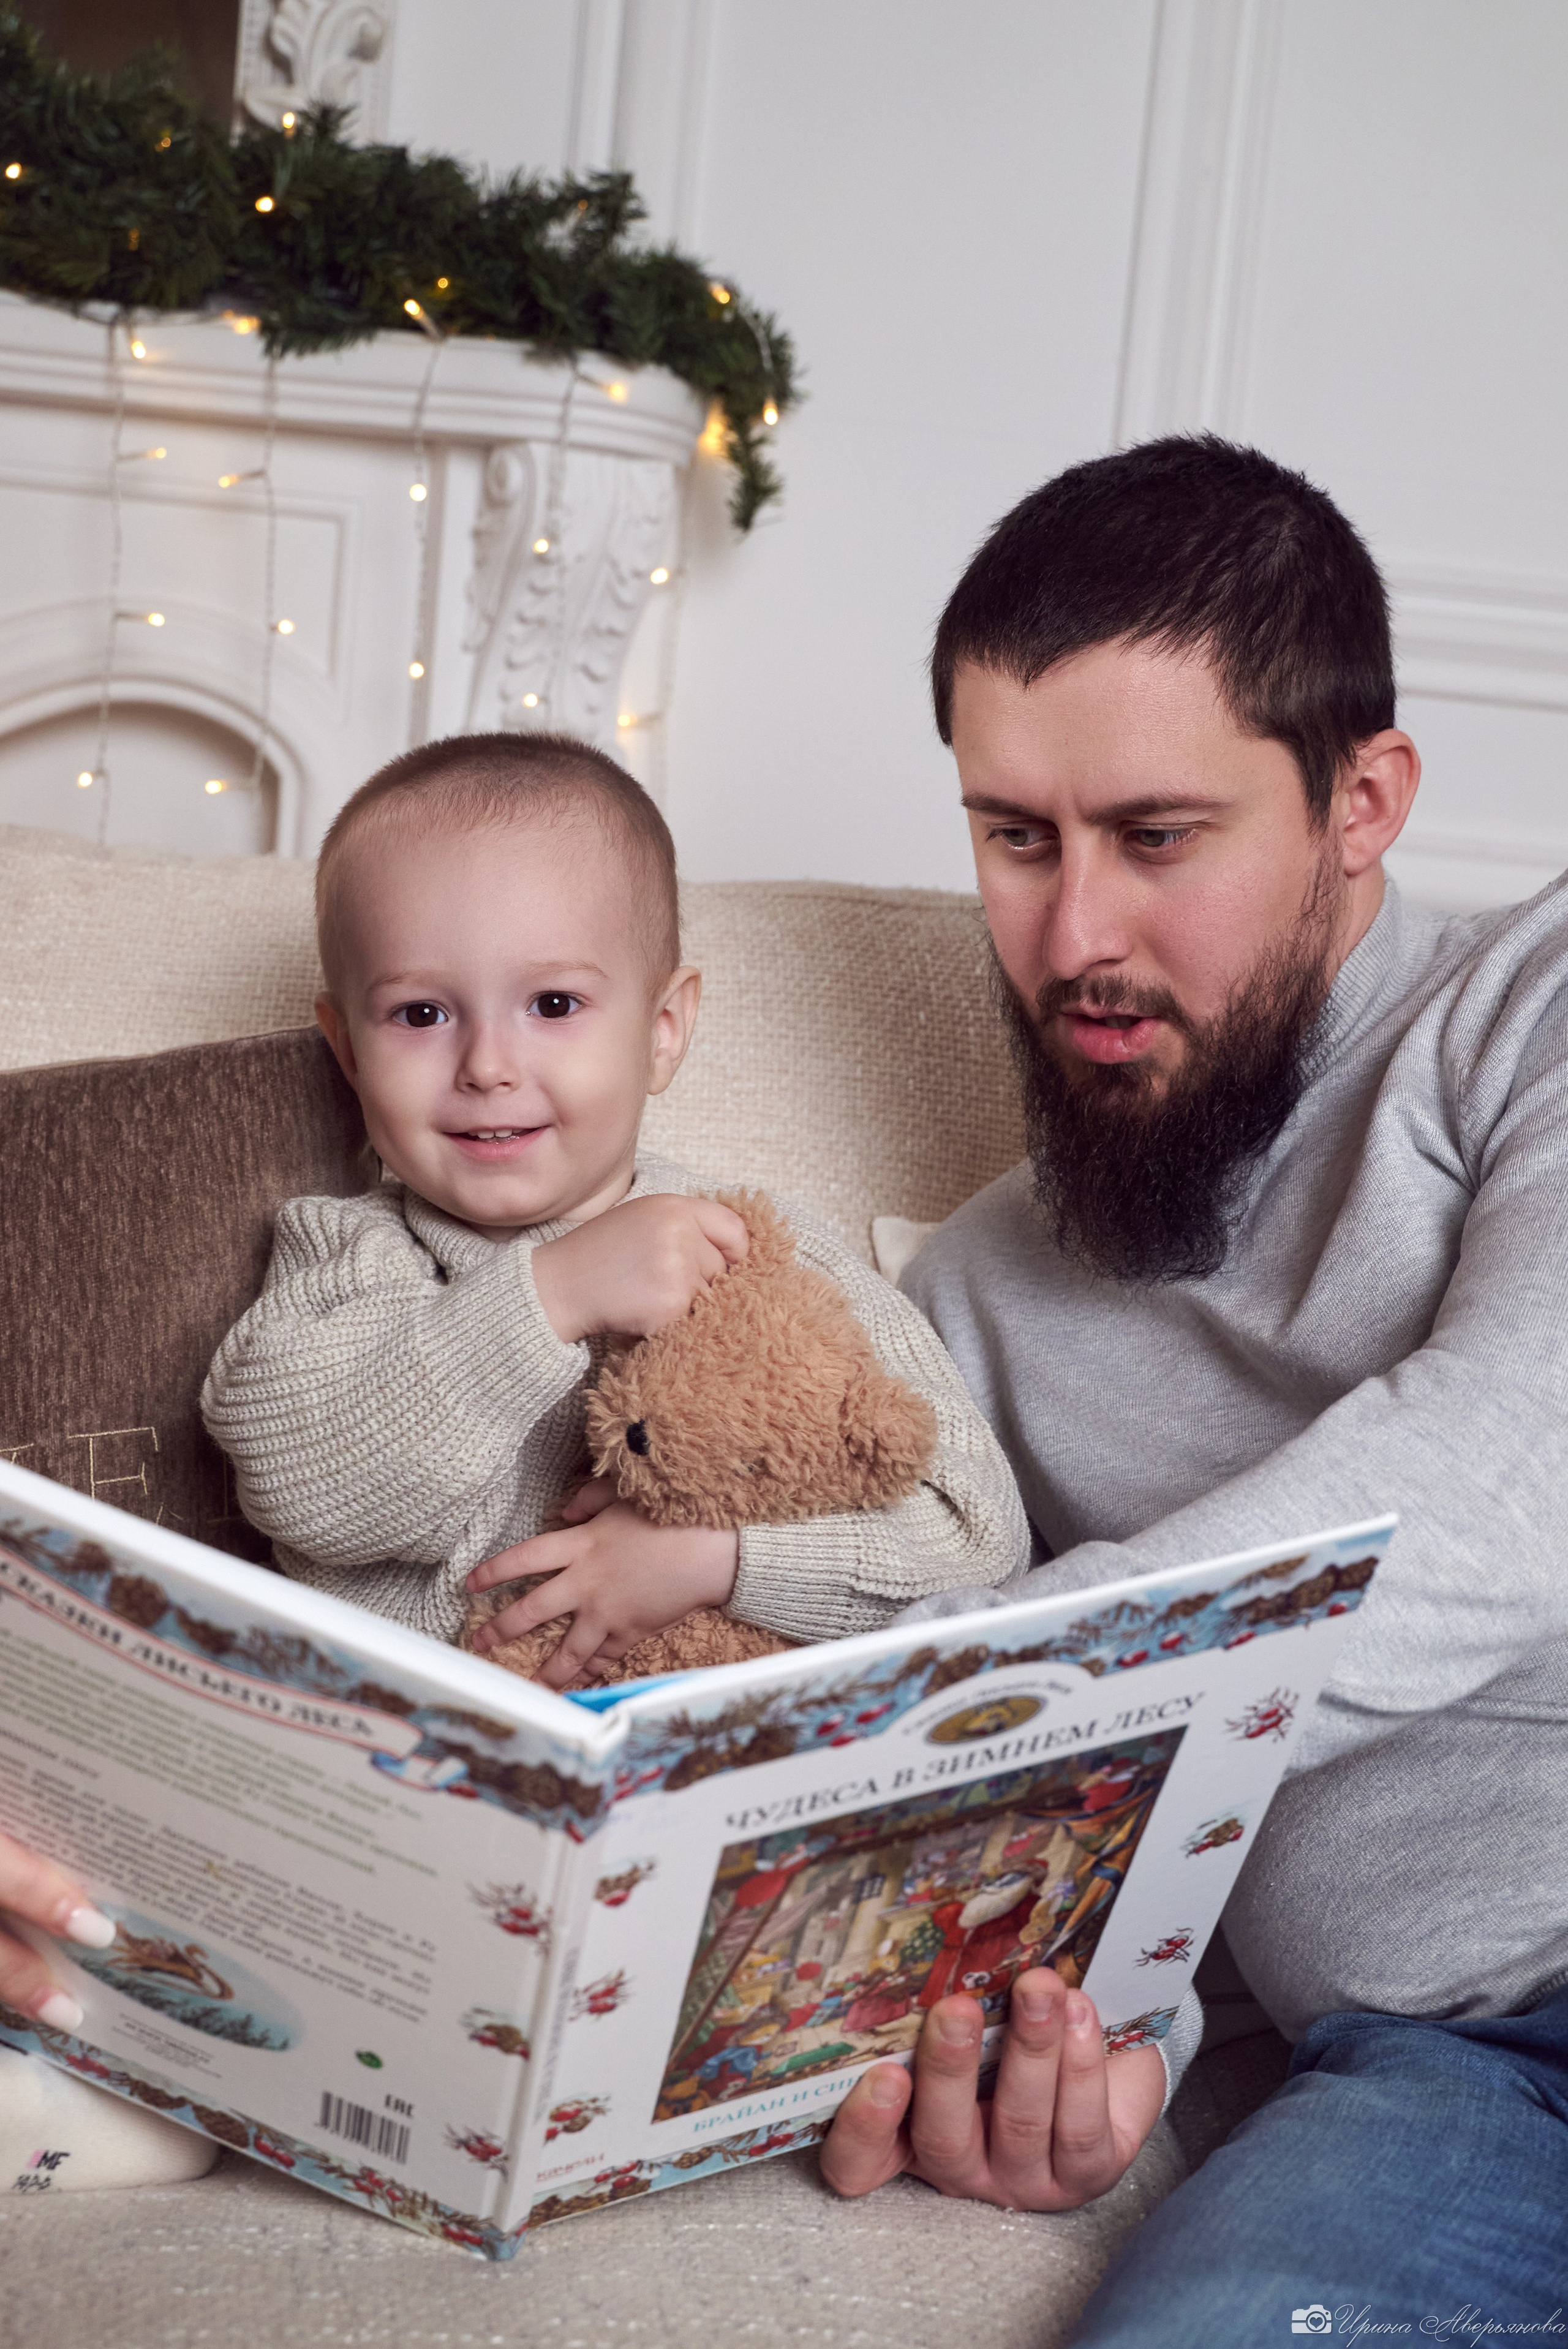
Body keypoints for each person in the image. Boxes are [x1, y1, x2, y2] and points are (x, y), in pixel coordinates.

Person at [820, 436, 1568, 2336]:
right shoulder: (973, 1296)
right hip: (1452, 2087)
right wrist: (1088, 2040)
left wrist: (974, 1702)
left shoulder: (1528, 1011)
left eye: (1158, 839)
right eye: (1015, 835)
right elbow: (1080, 1853)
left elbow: (1513, 1476)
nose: (1075, 937)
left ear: (1361, 802)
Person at [200, 731, 1028, 1685]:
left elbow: (981, 1536)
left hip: (692, 1773)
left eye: (552, 1004)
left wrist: (716, 1565)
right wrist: (551, 1294)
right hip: (413, 1768)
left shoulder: (764, 1252)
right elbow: (303, 1485)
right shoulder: (349, 1254)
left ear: (663, 1031)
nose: (487, 1067)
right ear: (348, 1053)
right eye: (422, 1014)